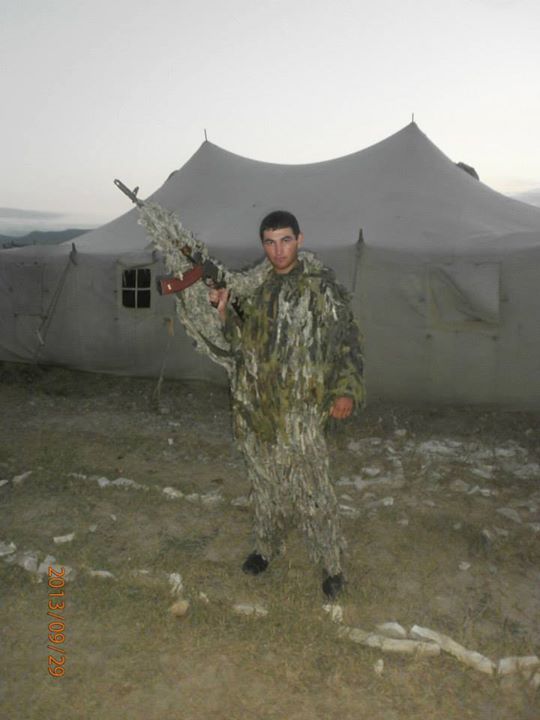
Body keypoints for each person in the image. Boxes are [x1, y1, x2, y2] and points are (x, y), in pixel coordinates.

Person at [209, 210, 364, 599]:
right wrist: (224, 311)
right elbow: (240, 343)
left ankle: (330, 563)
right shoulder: (254, 287)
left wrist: (345, 390)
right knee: (265, 483)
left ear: (299, 239)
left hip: (302, 407)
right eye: (270, 242)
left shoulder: (320, 287)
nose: (278, 251)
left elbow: (347, 341)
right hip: (258, 405)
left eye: (285, 240)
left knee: (313, 487)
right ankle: (265, 548)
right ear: (262, 244)